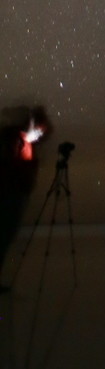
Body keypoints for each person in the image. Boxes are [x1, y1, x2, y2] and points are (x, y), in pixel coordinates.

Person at [0, 106, 50, 290]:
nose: (39, 134)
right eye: (38, 129)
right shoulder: (14, 140)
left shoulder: (18, 140)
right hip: (8, 195)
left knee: (5, 238)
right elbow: (10, 168)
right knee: (3, 237)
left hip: (14, 194)